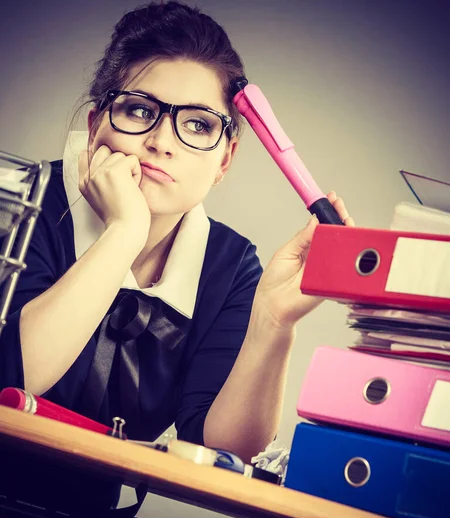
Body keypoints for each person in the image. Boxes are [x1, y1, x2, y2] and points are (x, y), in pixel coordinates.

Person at [0, 0, 353, 466]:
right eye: (138, 110)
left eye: (198, 124)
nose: (162, 143)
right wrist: (124, 232)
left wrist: (273, 324)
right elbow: (14, 377)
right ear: (94, 126)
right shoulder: (22, 200)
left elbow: (222, 449)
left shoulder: (228, 264)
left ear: (225, 158)